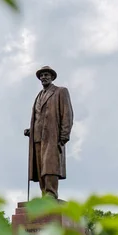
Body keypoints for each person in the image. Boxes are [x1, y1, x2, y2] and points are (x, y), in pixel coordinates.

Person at [24, 66, 73, 199]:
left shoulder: (60, 92)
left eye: (46, 75)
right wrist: (31, 130)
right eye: (41, 76)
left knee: (50, 166)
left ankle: (51, 193)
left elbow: (67, 114)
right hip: (37, 137)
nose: (43, 77)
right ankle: (44, 194)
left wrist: (64, 136)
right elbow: (38, 116)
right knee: (40, 168)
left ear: (52, 77)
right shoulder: (39, 96)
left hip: (53, 136)